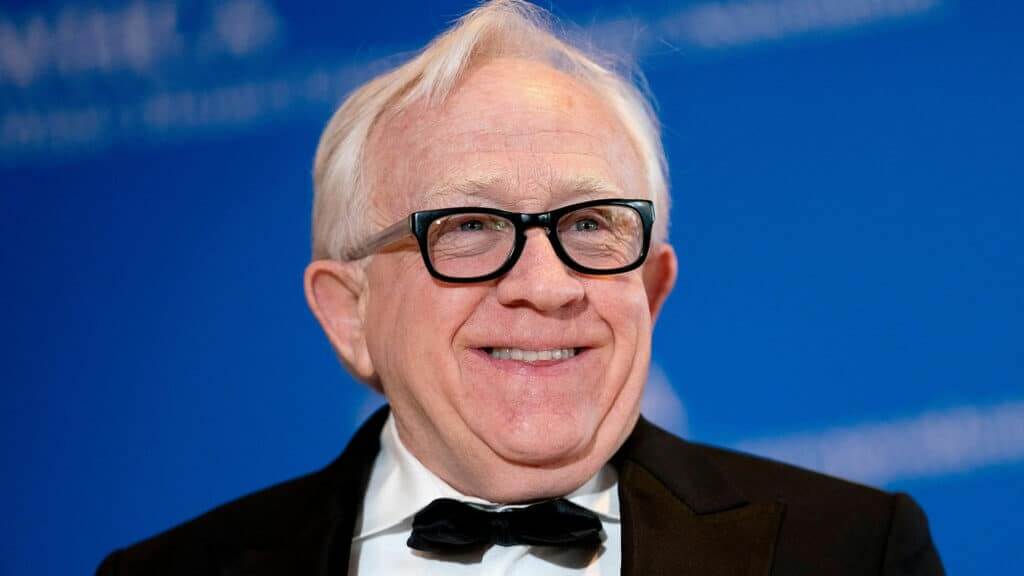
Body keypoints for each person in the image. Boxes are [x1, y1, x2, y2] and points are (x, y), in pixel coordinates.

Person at [97, 1, 944, 574]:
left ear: (650, 291)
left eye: (588, 226)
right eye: (468, 227)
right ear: (347, 313)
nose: (546, 286)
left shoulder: (848, 553)